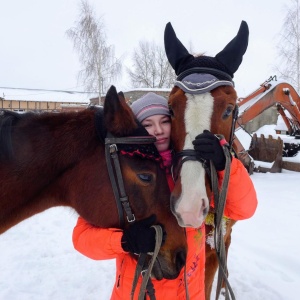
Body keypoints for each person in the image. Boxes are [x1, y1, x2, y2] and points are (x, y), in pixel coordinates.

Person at [72, 92, 257, 299]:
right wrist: (124, 241)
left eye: (164, 121)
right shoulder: (122, 177)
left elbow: (244, 208)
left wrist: (225, 165)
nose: (158, 130)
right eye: (148, 124)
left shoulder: (193, 175)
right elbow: (81, 237)